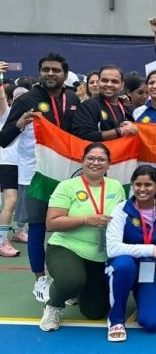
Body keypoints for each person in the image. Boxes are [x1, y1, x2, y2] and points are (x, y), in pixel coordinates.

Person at [0, 53, 81, 303]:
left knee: (69, 229)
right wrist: (19, 124)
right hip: (36, 176)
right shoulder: (26, 100)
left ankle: (66, 281)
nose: (50, 73)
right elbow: (3, 139)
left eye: (55, 70)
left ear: (64, 74)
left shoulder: (73, 98)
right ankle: (40, 280)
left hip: (67, 175)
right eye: (45, 69)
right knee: (37, 229)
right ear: (39, 72)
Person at [39, 143, 126, 332]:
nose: (96, 162)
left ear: (109, 164)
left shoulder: (116, 186)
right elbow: (51, 223)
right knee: (71, 280)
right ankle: (53, 303)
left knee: (95, 312)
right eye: (91, 158)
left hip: (99, 253)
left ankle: (76, 289)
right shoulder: (67, 186)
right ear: (82, 161)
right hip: (67, 247)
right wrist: (85, 220)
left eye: (101, 159)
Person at [105, 165, 156, 341]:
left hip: (153, 270)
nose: (142, 189)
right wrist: (152, 249)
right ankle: (116, 319)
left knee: (152, 323)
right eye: (138, 184)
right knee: (124, 265)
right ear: (132, 185)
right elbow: (112, 248)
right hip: (125, 266)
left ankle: (143, 296)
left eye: (148, 184)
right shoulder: (121, 210)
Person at [0, 63, 28, 257]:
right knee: (10, 201)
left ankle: (18, 230)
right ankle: (1, 241)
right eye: (18, 98)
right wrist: (0, 77)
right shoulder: (7, 113)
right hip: (7, 163)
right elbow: (1, 97)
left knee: (22, 202)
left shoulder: (32, 116)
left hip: (23, 164)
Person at [72, 64, 138, 141]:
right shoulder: (88, 106)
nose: (109, 84)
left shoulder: (126, 107)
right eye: (105, 80)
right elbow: (83, 136)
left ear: (122, 85)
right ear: (99, 82)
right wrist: (119, 131)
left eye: (114, 81)